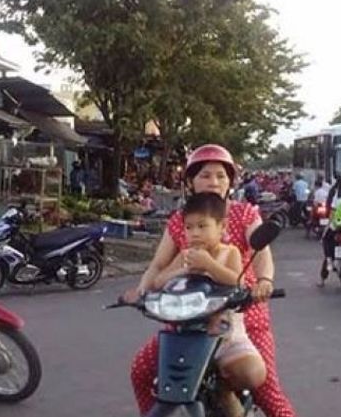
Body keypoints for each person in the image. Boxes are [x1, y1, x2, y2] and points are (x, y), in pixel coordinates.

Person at [124, 145, 295, 417]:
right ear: (191, 181)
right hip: (188, 318)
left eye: (220, 176)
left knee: (267, 391)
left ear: (230, 182)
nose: (213, 182)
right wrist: (143, 290)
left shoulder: (244, 213)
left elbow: (261, 253)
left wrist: (264, 281)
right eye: (205, 175)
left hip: (241, 311)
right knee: (141, 372)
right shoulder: (180, 220)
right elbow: (158, 266)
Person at [149, 192, 266, 416]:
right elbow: (158, 281)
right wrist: (182, 270)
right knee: (156, 377)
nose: (194, 233)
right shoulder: (185, 255)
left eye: (202, 226)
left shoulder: (229, 252)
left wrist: (209, 265)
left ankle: (226, 393)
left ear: (222, 227)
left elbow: (238, 281)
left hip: (225, 336)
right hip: (187, 335)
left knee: (253, 373)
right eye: (189, 227)